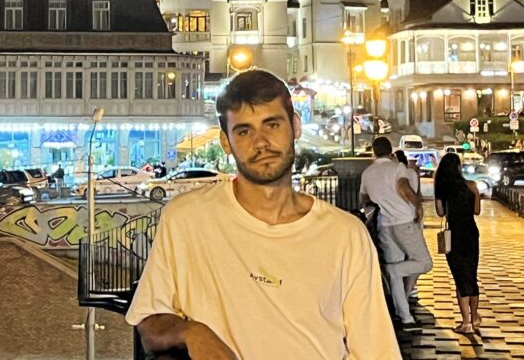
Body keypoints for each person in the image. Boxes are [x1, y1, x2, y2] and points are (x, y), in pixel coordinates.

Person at [126, 69, 400, 360]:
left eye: (272, 125)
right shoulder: (185, 220)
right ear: (226, 142)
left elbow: (374, 348)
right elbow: (149, 322)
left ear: (295, 126)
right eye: (244, 131)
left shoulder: (345, 235)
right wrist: (191, 332)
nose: (260, 142)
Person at [360, 136, 432, 327]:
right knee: (424, 263)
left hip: (385, 223)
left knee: (397, 271)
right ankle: (390, 271)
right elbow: (404, 188)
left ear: (374, 151)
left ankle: (405, 316)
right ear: (390, 150)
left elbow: (364, 198)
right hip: (404, 220)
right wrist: (417, 206)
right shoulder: (396, 168)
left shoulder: (367, 173)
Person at [434, 152, 482, 334]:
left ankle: (466, 322)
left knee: (460, 277)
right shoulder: (471, 186)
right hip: (471, 232)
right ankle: (475, 316)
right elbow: (476, 211)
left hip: (454, 235)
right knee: (471, 274)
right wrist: (475, 194)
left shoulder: (442, 188)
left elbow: (440, 212)